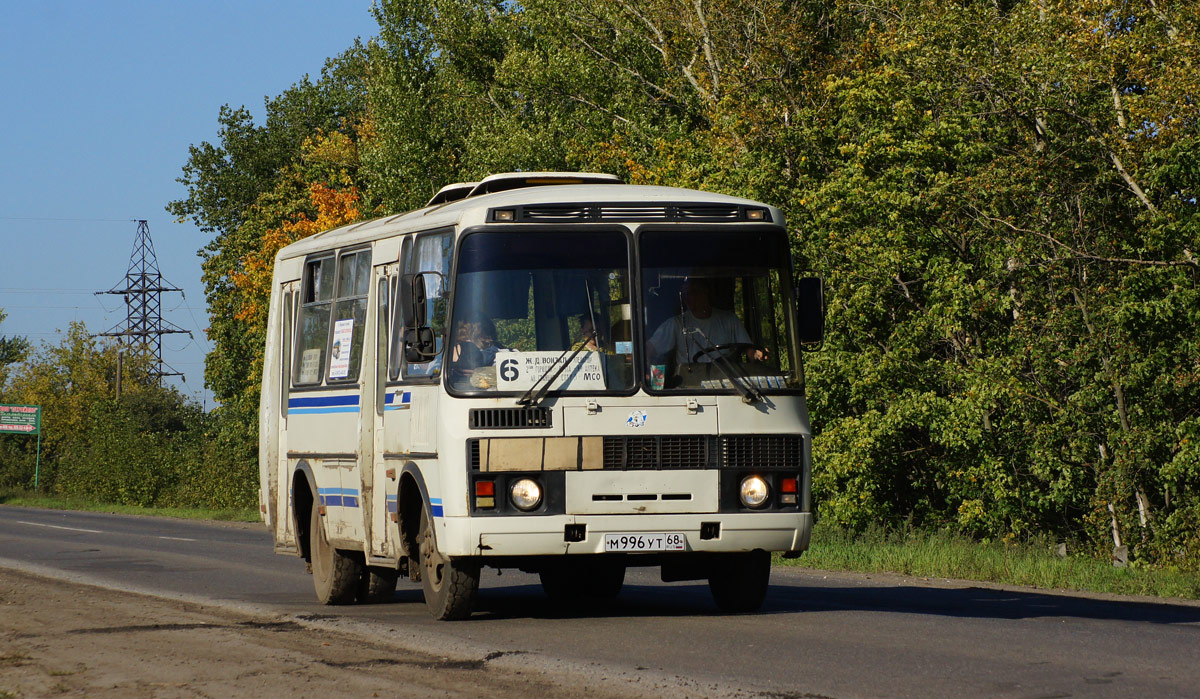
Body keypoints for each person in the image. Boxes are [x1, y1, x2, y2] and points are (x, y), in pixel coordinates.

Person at [646, 278, 765, 366]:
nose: (688, 297)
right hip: (688, 387)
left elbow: (749, 350)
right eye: (685, 293)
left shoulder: (730, 320)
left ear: (705, 292)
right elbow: (650, 348)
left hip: (728, 383)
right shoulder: (676, 324)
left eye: (693, 292)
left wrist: (757, 354)